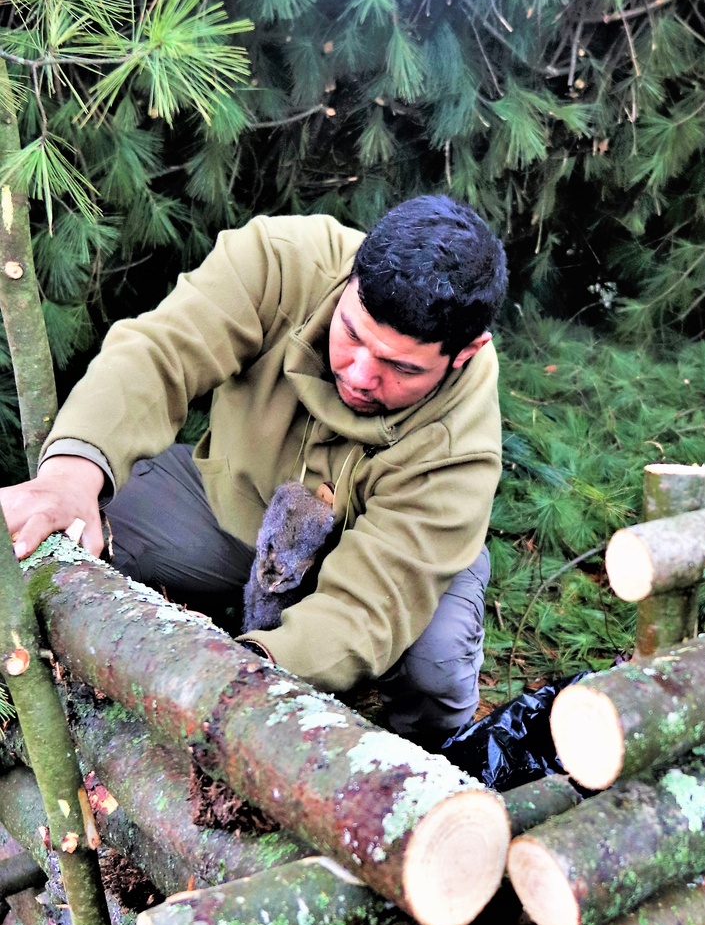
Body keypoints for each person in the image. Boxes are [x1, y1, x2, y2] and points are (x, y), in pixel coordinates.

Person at [0, 196, 508, 748]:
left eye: (401, 367)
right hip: (232, 505)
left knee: (434, 666)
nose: (360, 375)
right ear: (351, 277)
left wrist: (239, 675)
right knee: (63, 528)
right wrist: (69, 476)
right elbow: (157, 355)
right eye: (353, 335)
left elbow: (368, 608)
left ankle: (427, 762)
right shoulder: (279, 260)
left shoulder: (462, 445)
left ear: (466, 351)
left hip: (395, 560)